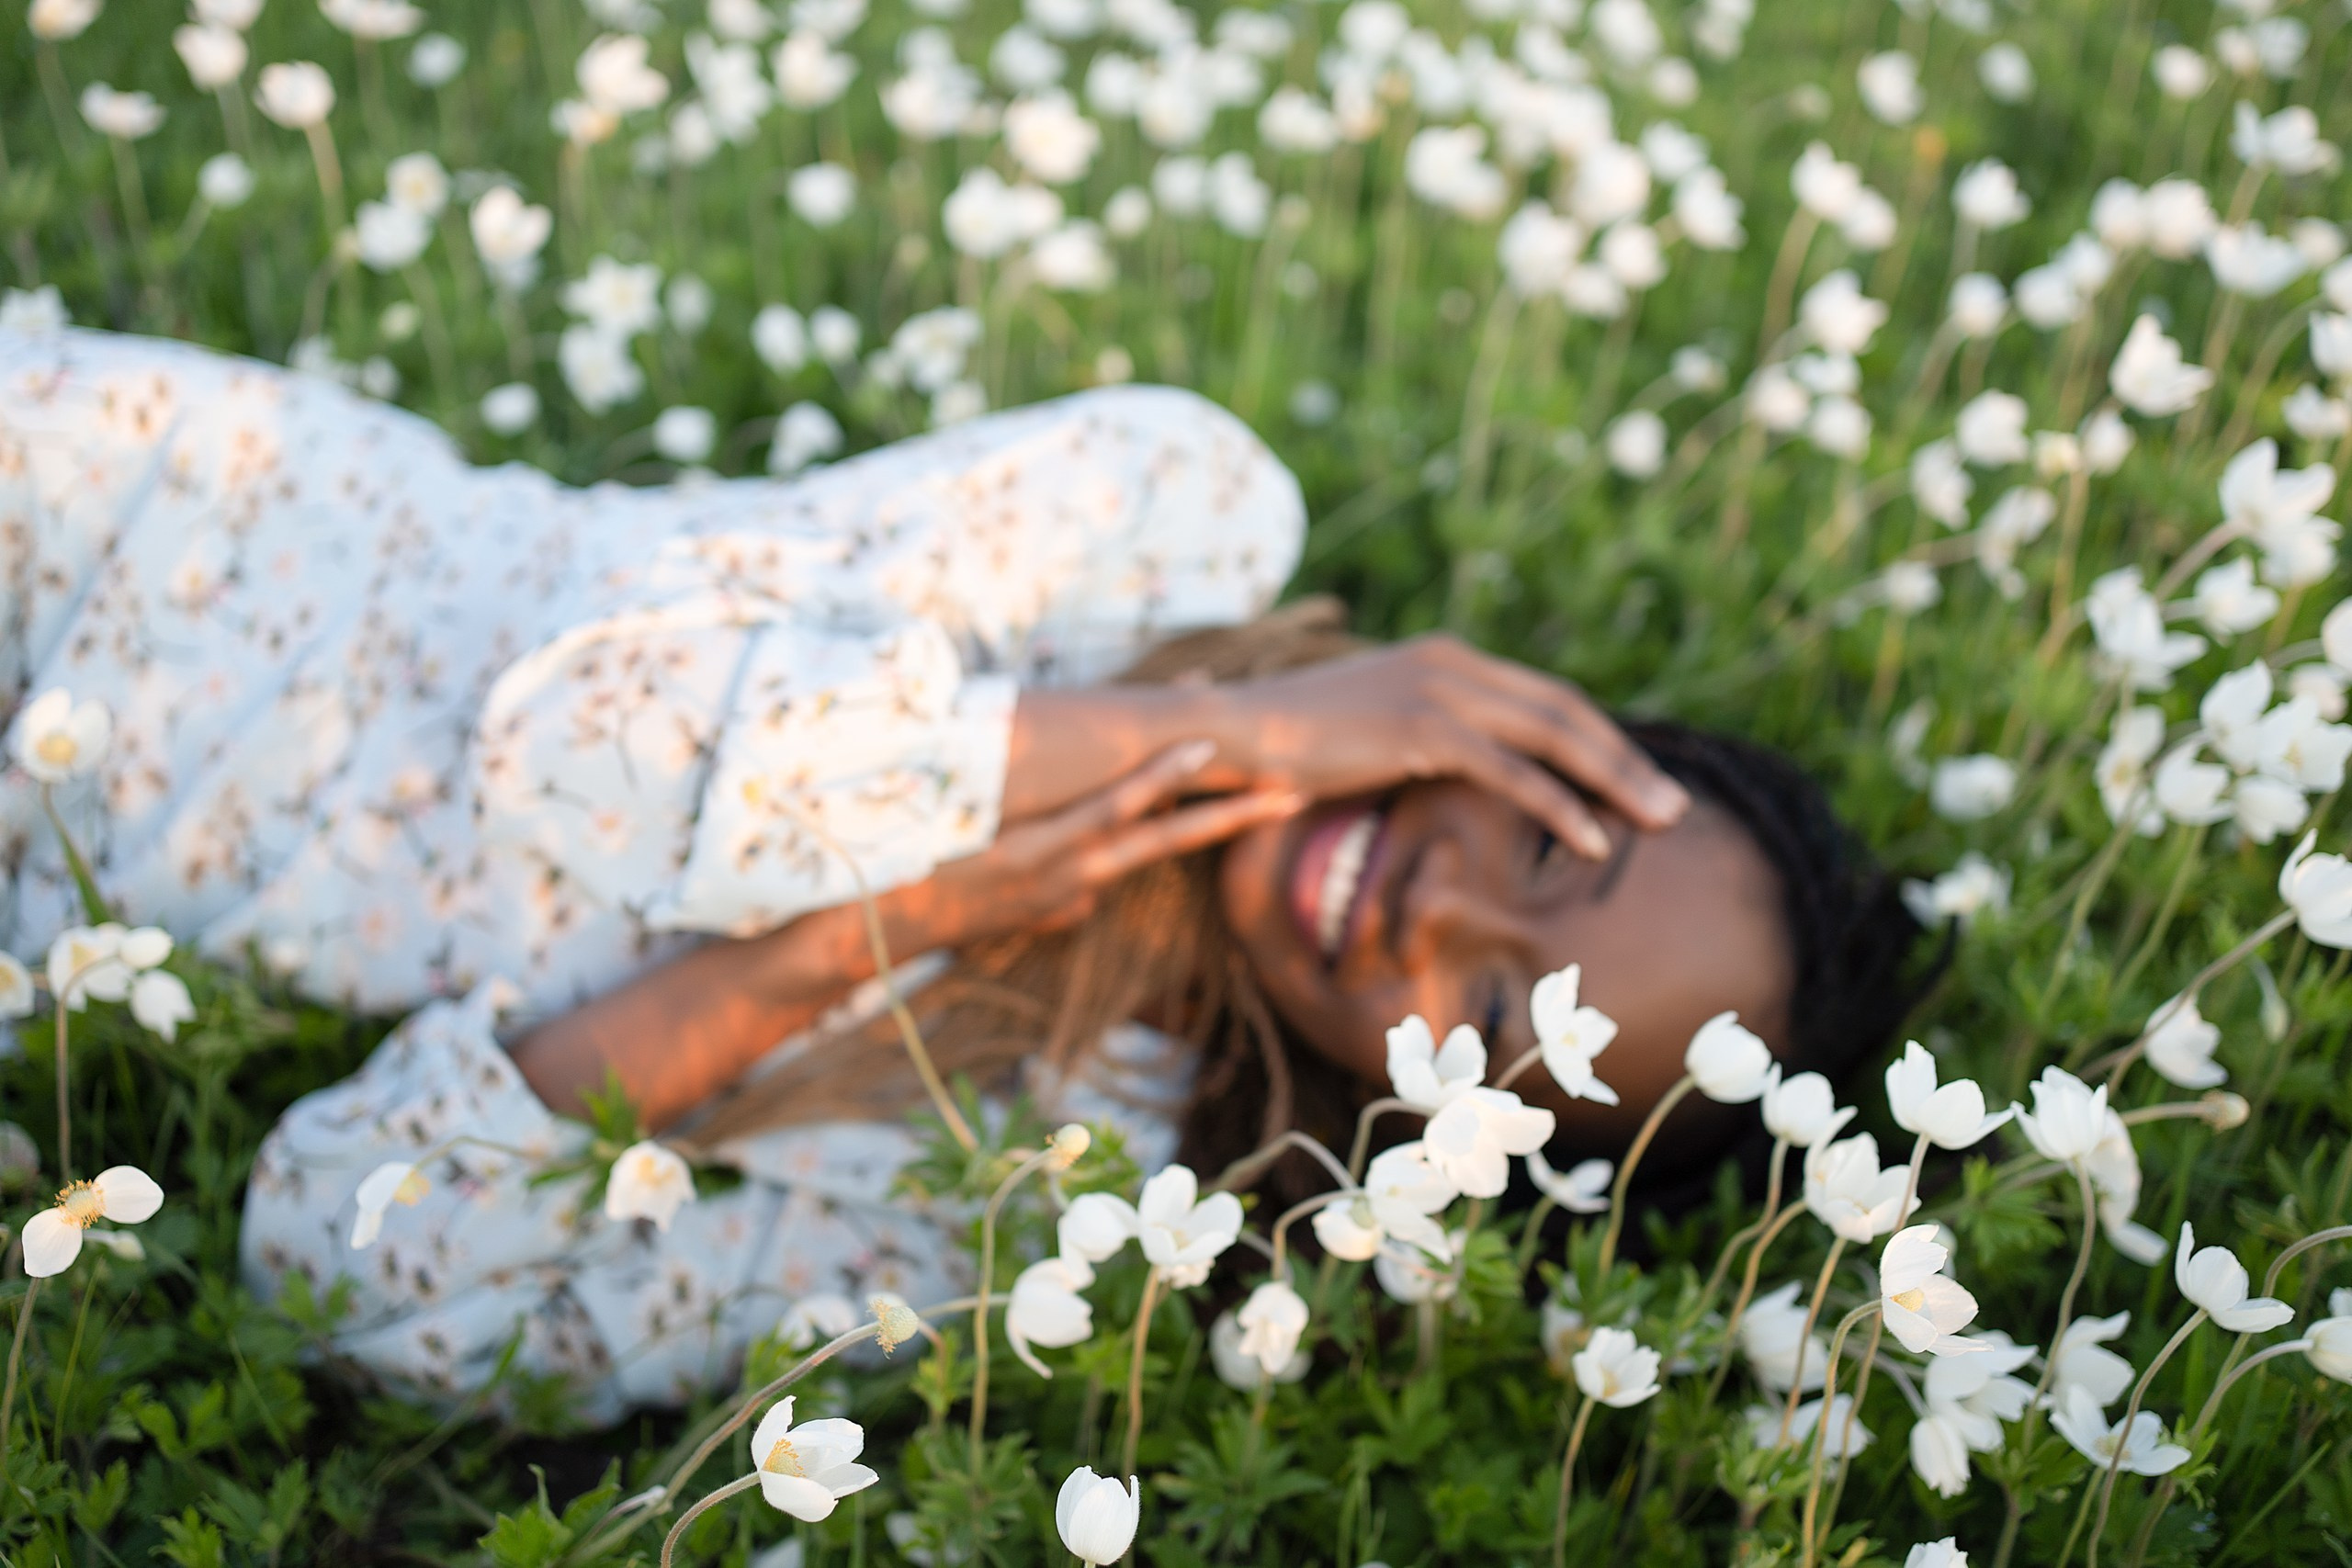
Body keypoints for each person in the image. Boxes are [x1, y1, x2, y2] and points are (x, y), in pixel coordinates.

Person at [0, 326, 1926, 1417]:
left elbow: (330, 1268)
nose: (1440, 904)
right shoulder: (1164, 529)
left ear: (1462, 1136)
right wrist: (1215, 737)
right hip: (95, 501)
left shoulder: (1023, 1206)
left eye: (1498, 1007)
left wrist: (868, 938)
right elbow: (567, 735)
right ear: (1523, 714)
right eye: (1529, 838)